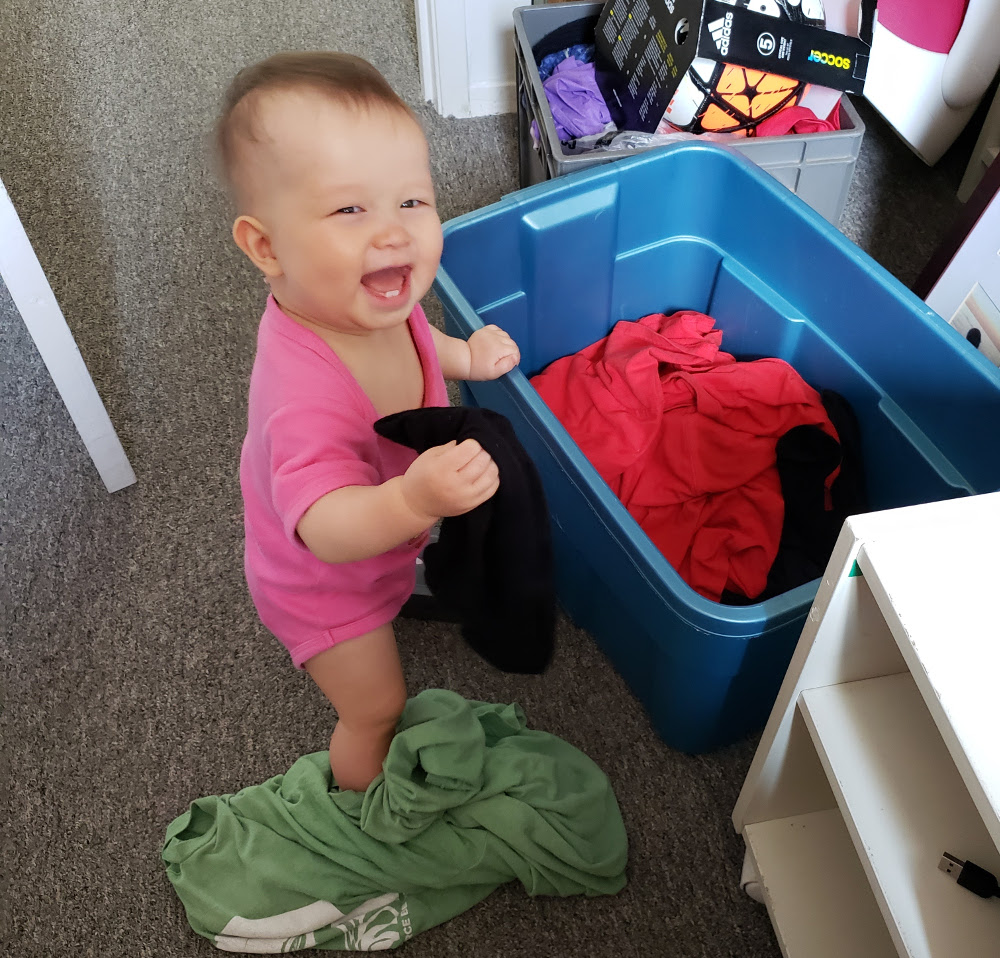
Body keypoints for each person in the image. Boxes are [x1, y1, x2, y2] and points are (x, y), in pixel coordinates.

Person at [216, 52, 520, 792]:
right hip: (321, 581)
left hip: (383, 524)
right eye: (350, 210)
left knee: (396, 564)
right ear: (266, 247)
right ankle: (365, 806)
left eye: (412, 202)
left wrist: (466, 359)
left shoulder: (369, 298)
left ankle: (404, 561)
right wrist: (413, 503)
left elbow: (417, 339)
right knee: (377, 705)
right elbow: (325, 526)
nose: (392, 234)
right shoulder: (302, 396)